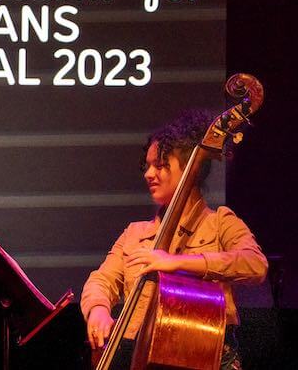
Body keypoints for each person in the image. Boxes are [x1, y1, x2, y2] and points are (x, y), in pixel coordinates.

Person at [80, 110, 268, 369]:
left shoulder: (220, 223)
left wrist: (177, 262)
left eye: (160, 165)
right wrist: (98, 309)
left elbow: (255, 265)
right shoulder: (135, 233)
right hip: (140, 357)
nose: (148, 174)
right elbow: (102, 279)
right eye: (147, 165)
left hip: (208, 357)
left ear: (190, 170)